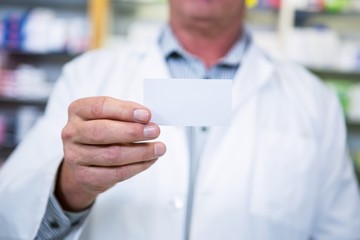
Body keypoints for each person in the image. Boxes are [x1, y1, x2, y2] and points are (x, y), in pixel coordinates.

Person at [1, 0, 360, 239]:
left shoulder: (315, 102)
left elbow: (341, 231)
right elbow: (13, 218)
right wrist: (70, 186)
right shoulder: (87, 76)